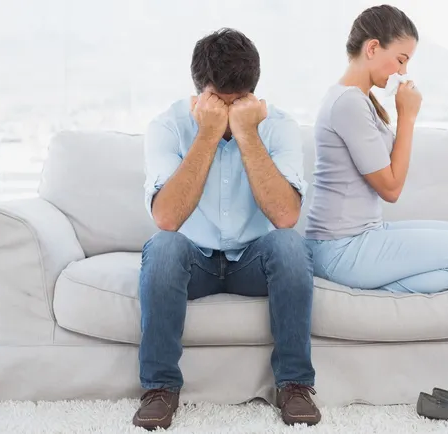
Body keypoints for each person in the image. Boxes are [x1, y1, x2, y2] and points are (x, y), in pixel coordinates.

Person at [135, 28, 321, 430]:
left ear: (253, 94)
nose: (228, 113)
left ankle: (294, 385)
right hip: (194, 263)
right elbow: (166, 218)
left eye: (239, 103)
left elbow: (286, 216)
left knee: (290, 245)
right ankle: (160, 388)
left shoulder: (278, 126)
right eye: (220, 102)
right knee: (163, 246)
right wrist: (206, 134)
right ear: (201, 92)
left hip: (252, 262)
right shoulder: (167, 126)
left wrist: (247, 133)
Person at [305, 5, 448, 294]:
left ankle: (382, 282)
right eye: (400, 60)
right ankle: (384, 295)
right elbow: (391, 189)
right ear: (373, 48)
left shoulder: (357, 99)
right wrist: (408, 116)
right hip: (341, 249)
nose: (403, 73)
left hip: (363, 236)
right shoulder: (348, 103)